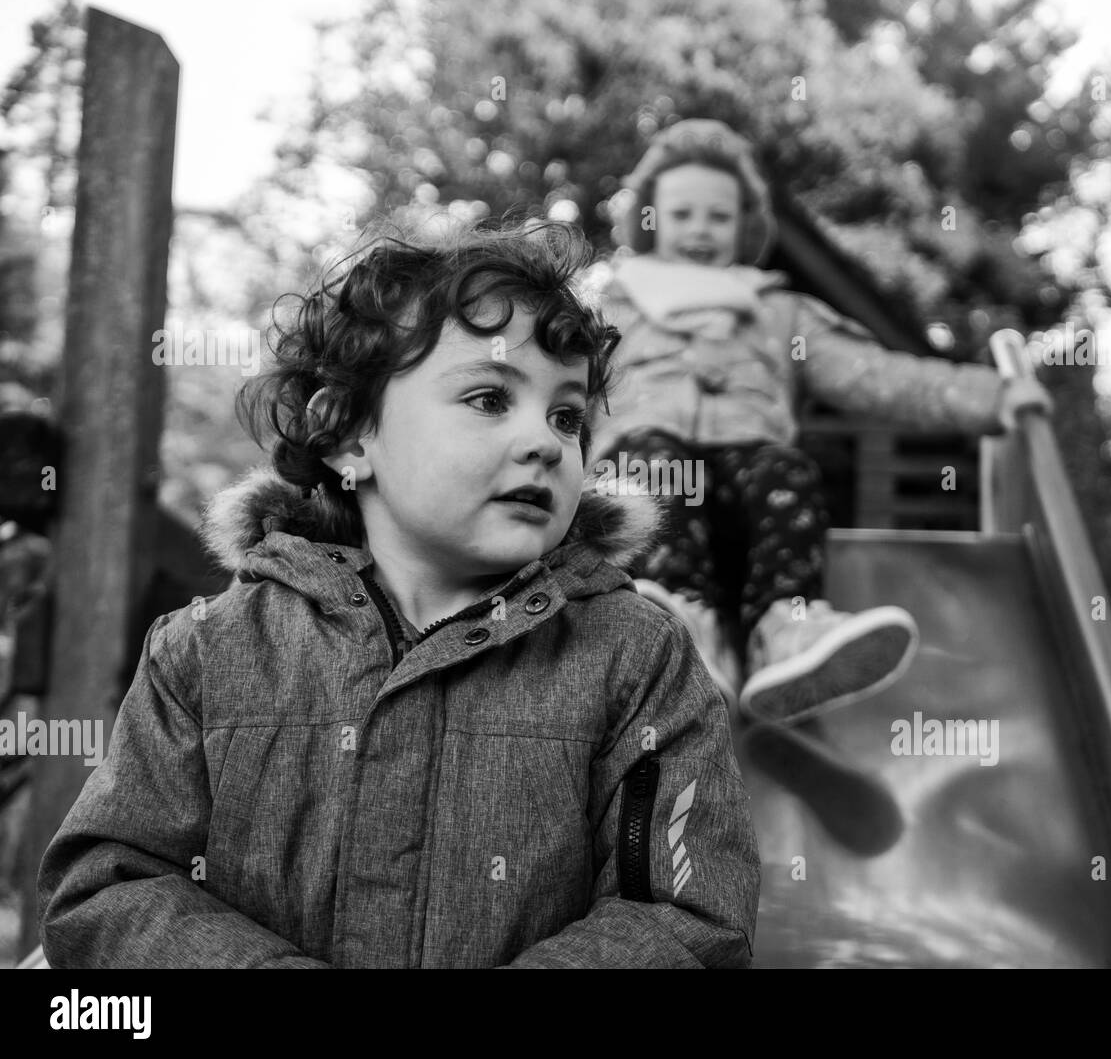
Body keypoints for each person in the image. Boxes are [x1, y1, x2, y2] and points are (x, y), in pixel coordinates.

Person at [37, 220, 761, 968]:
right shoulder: (207, 651)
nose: (547, 441)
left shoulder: (635, 653)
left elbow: (686, 914)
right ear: (352, 438)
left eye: (568, 415)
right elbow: (107, 887)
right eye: (488, 397)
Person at [588, 119, 1050, 725]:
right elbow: (549, 380)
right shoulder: (609, 307)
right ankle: (683, 626)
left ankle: (785, 630)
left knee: (786, 470)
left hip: (749, 482)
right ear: (650, 221)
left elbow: (877, 375)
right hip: (653, 490)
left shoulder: (780, 312)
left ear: (745, 227)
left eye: (719, 217)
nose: (700, 230)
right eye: (682, 215)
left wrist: (993, 395)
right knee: (648, 461)